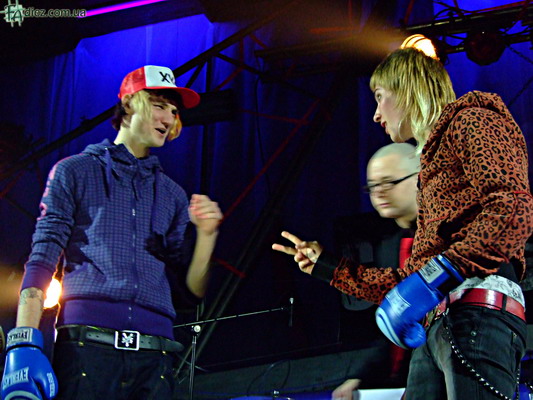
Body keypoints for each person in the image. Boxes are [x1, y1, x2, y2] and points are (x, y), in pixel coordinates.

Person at [274, 47, 532, 400]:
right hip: (440, 325)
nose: (376, 114)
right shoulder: (431, 169)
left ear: (408, 88)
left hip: (477, 311)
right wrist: (328, 267)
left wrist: (439, 274)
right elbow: (412, 282)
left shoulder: (472, 119)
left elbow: (511, 210)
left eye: (380, 97)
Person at [1, 65, 222, 400]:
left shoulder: (174, 195)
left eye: (174, 111)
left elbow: (189, 294)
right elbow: (43, 255)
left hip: (157, 357)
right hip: (87, 351)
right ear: (130, 104)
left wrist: (207, 236)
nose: (169, 118)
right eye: (159, 106)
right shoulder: (74, 171)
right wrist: (24, 341)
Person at [274, 142, 419, 399]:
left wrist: (328, 266)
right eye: (372, 186)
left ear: (421, 177)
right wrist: (361, 377)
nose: (379, 193)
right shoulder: (390, 244)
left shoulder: (441, 235)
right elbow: (396, 324)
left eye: (389, 182)